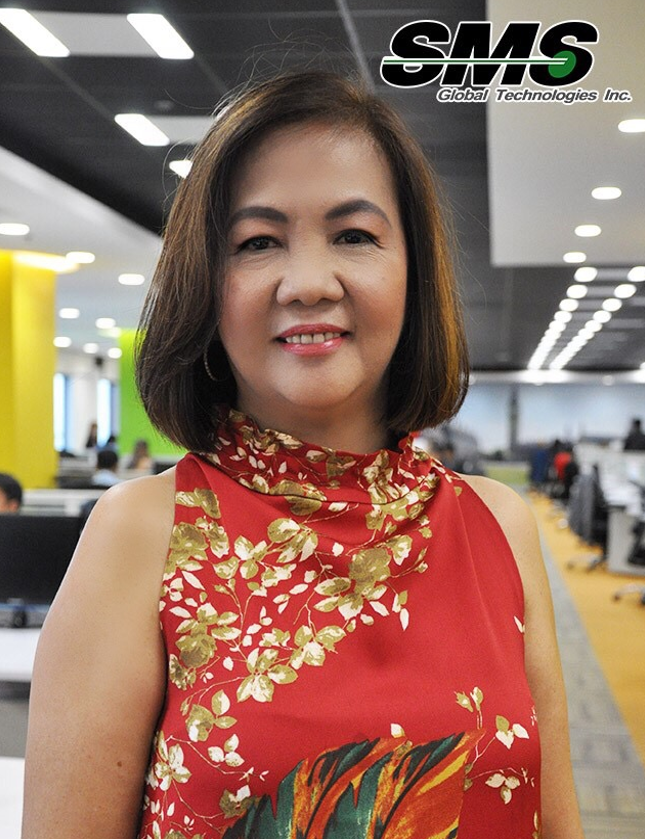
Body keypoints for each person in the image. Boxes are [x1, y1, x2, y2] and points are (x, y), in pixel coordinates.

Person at [23, 70, 583, 839]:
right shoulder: (142, 532)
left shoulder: (497, 523)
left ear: (412, 270)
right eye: (257, 242)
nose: (310, 283)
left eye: (354, 235)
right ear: (208, 282)